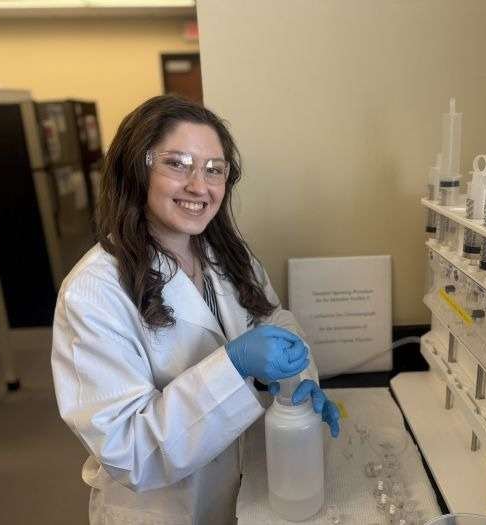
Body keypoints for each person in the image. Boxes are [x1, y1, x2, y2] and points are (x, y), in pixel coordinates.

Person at [51, 94, 340, 525]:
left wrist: (298, 380)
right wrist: (233, 365)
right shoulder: (93, 292)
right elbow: (129, 451)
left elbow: (273, 318)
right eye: (177, 163)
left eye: (214, 169)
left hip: (245, 486)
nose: (199, 186)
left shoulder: (227, 255)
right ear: (136, 169)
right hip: (165, 511)